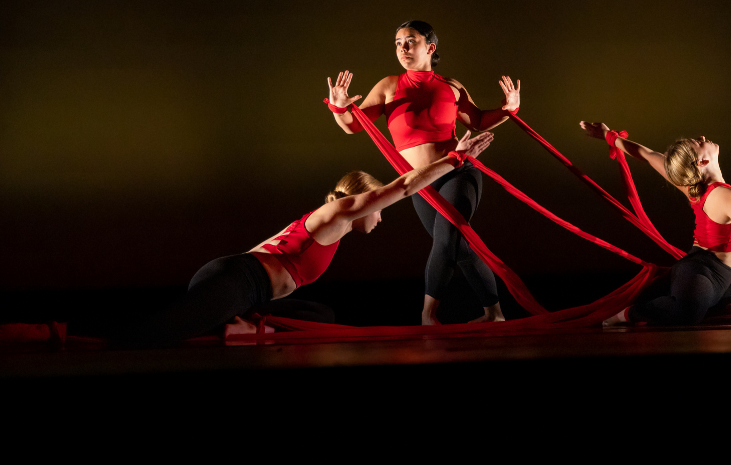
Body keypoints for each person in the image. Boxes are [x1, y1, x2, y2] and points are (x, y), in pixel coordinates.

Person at [126, 130, 494, 346]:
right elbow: (403, 187)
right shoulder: (337, 213)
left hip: (246, 288)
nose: (381, 217)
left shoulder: (327, 225)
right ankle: (81, 336)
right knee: (155, 336)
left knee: (321, 317)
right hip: (237, 282)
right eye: (378, 208)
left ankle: (239, 326)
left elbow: (262, 248)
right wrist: (454, 159)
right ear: (365, 200)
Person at [325, 20, 519, 325]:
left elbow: (478, 121)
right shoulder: (389, 86)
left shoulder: (451, 86)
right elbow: (352, 126)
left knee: (447, 237)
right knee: (458, 246)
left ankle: (428, 315)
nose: (402, 48)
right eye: (398, 43)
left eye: (410, 41)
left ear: (430, 47)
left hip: (458, 172)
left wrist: (509, 109)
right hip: (419, 183)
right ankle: (494, 314)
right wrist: (339, 108)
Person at [579, 121, 731, 325]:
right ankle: (629, 314)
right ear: (701, 162)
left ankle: (714, 311)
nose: (702, 137)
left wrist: (609, 136)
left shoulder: (691, 186)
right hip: (697, 271)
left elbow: (647, 154)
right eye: (698, 143)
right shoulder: (729, 197)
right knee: (688, 312)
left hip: (720, 279)